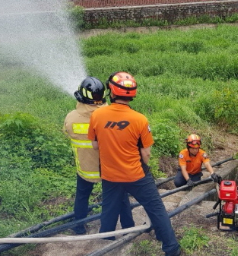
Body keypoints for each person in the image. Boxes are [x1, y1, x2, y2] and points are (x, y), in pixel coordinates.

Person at [88, 71, 181, 256]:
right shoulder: (140, 119)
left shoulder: (97, 115)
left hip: (110, 174)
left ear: (112, 91)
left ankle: (105, 244)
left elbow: (95, 145)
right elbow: (146, 153)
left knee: (109, 208)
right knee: (156, 209)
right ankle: (171, 249)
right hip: (136, 175)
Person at [64, 76, 134, 235]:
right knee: (120, 197)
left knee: (82, 196)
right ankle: (128, 227)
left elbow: (67, 132)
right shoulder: (110, 116)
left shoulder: (71, 117)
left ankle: (79, 227)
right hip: (109, 167)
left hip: (85, 168)